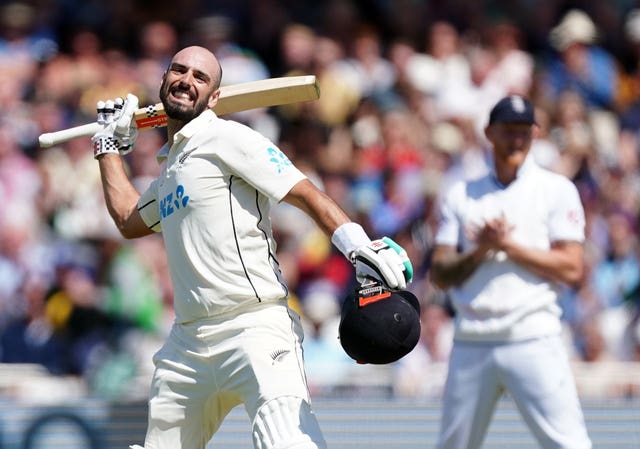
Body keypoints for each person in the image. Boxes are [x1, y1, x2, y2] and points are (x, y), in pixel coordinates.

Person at [90, 45, 412, 449]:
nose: (187, 80)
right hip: (187, 344)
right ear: (164, 81)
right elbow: (127, 219)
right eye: (179, 70)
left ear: (215, 97)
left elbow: (304, 193)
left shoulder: (229, 138)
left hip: (255, 327)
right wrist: (108, 149)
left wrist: (356, 245)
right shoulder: (170, 171)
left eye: (200, 77)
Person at [429, 95, 592, 449]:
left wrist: (509, 247)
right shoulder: (461, 194)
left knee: (570, 444)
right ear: (489, 132)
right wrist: (484, 249)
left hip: (534, 335)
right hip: (472, 338)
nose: (516, 140)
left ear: (536, 132)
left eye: (523, 131)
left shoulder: (557, 190)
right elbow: (439, 273)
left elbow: (572, 266)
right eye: (508, 131)